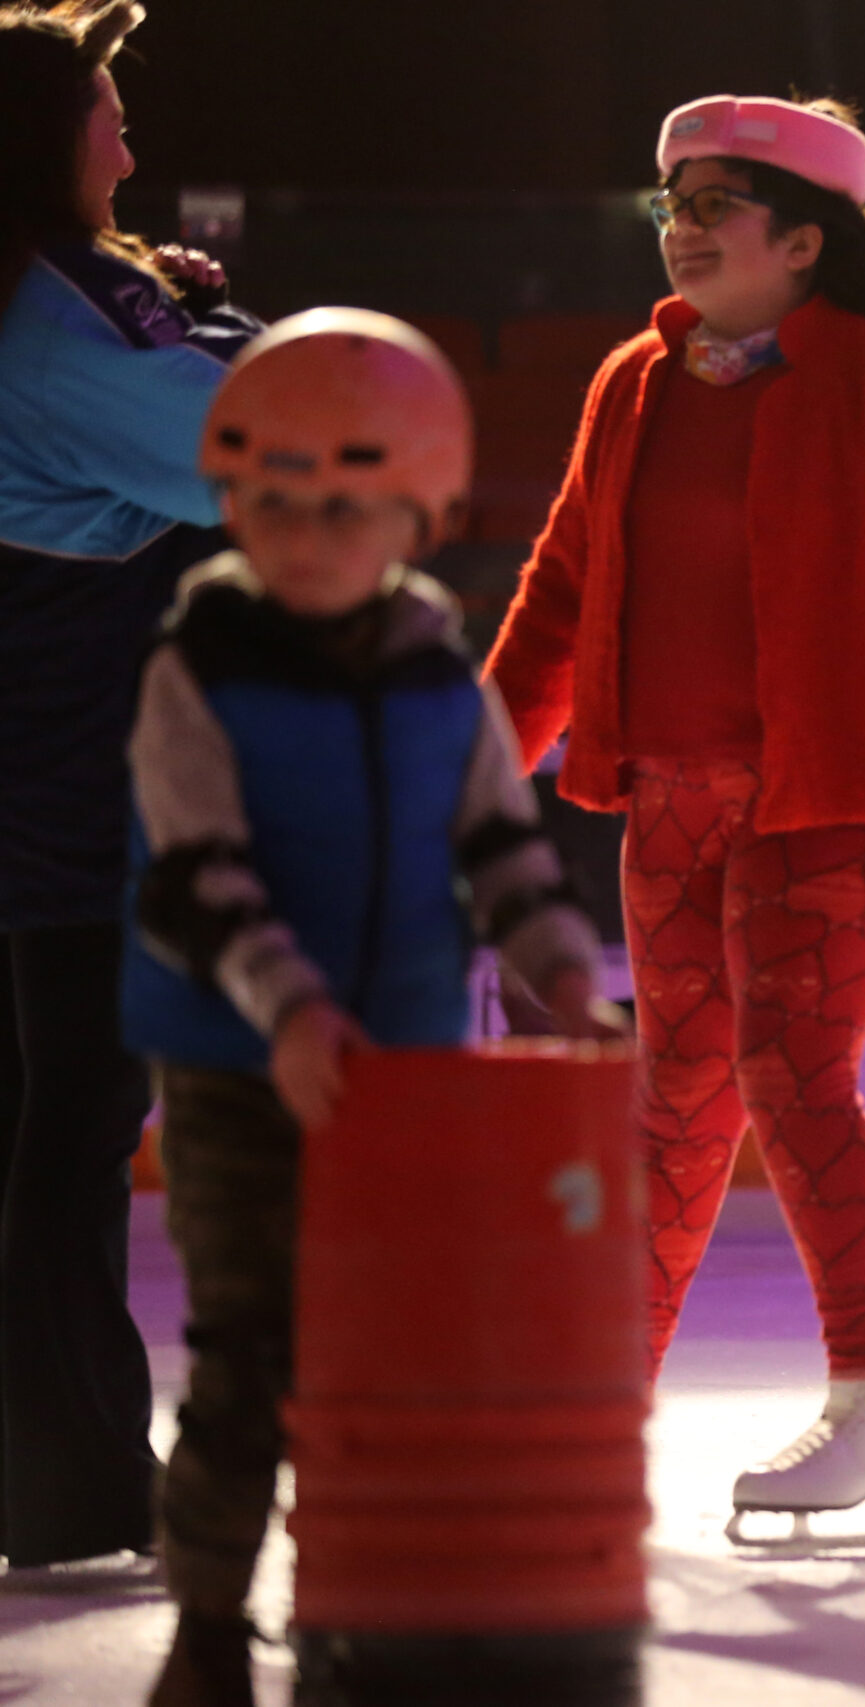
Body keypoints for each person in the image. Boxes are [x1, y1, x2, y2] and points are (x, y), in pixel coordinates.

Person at [484, 94, 865, 1543]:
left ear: (803, 239)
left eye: (714, 199)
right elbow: (556, 594)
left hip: (842, 799)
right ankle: (594, 1411)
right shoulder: (633, 383)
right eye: (669, 194)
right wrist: (468, 773)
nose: (680, 220)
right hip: (665, 795)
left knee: (792, 1073)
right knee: (673, 1107)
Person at [123, 309, 612, 1707]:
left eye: (346, 506)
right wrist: (284, 1012)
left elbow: (503, 849)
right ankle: (209, 1623)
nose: (307, 534)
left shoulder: (434, 673)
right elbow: (195, 877)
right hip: (238, 1069)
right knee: (246, 1351)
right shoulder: (196, 665)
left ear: (416, 509)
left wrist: (565, 968)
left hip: (407, 1075)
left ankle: (375, 1593)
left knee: (394, 1347)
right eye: (271, 503)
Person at [0, 0, 261, 1578]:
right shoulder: (54, 320)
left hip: (34, 782)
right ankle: (72, 1485)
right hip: (67, 796)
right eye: (107, 112)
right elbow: (251, 446)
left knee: (33, 1129)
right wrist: (221, 330)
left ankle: (52, 1476)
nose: (131, 143)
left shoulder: (46, 301)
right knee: (68, 1134)